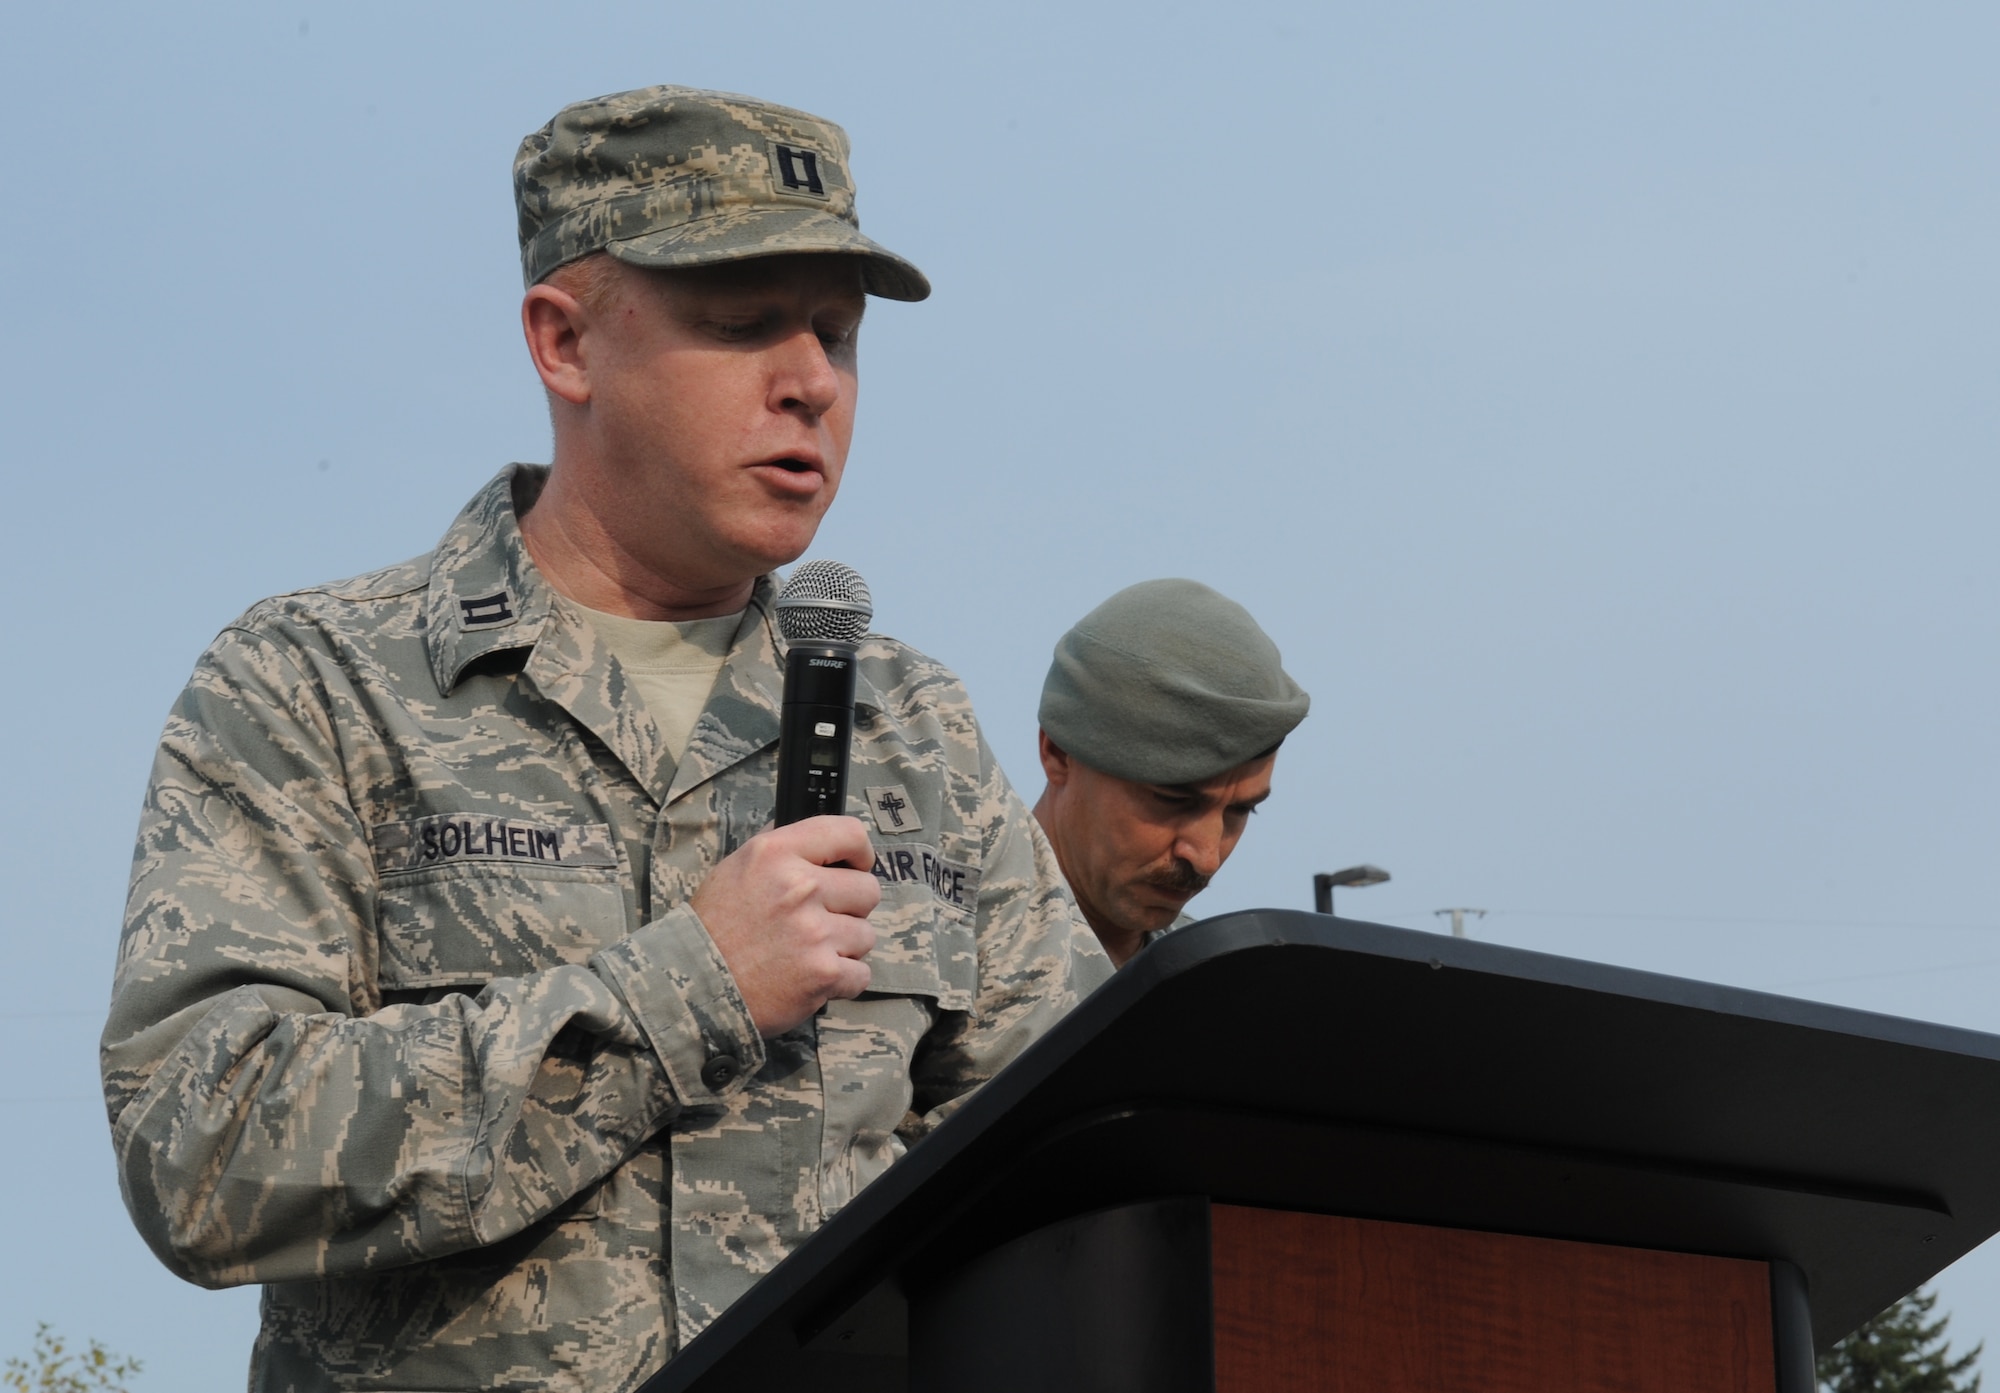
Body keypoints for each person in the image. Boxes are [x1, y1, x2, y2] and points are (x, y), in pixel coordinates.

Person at [100, 85, 1109, 1393]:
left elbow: (1072, 1164)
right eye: (745, 325)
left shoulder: (912, 729)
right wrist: (685, 990)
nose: (810, 383)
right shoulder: (317, 686)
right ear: (565, 343)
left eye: (839, 336)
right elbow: (201, 1152)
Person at [1032, 579, 1310, 966]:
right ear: (1059, 753)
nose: (1206, 858)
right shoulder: (941, 945)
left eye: (1241, 811)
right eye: (1173, 800)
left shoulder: (1216, 979)